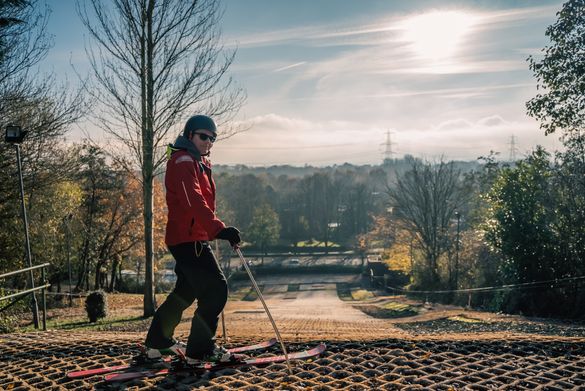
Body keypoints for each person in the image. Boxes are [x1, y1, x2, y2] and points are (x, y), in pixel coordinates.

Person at [144, 114, 241, 364]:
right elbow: (193, 201)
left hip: (188, 237)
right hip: (190, 240)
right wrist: (218, 229)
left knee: (185, 292)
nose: (208, 141)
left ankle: (158, 342)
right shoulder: (183, 161)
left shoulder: (196, 162)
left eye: (212, 138)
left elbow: (200, 202)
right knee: (216, 290)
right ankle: (200, 350)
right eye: (203, 136)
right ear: (190, 135)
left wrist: (214, 230)